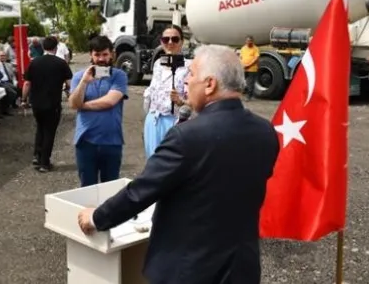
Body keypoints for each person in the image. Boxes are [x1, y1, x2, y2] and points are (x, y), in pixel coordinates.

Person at [77, 44, 280, 284]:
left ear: (210, 84)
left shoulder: (186, 136)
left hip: (189, 271)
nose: (186, 82)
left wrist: (96, 218)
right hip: (241, 269)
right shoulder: (265, 131)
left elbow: (141, 191)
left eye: (191, 74)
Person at [68, 36, 128, 187]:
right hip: (85, 141)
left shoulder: (119, 75)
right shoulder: (79, 77)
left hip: (111, 141)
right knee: (87, 188)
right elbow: (73, 103)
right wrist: (84, 82)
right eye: (97, 54)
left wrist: (82, 105)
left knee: (110, 189)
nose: (101, 59)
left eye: (105, 54)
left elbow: (110, 101)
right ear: (91, 55)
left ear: (111, 54)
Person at [22, 36, 73, 172]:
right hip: (53, 103)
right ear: (56, 48)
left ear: (43, 47)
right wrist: (70, 94)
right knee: (49, 131)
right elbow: (69, 83)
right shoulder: (61, 63)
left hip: (36, 103)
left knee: (40, 127)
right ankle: (44, 163)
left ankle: (37, 156)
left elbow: (27, 83)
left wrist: (23, 100)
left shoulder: (34, 63)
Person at [142, 25, 191, 158]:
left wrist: (182, 101)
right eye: (166, 39)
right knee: (152, 162)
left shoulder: (189, 66)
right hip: (153, 120)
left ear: (182, 42)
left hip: (175, 121)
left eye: (175, 39)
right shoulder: (158, 63)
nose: (170, 43)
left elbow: (196, 100)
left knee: (172, 162)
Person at [240, 35, 260, 101]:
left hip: (252, 69)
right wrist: (241, 65)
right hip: (244, 68)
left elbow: (256, 59)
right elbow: (241, 58)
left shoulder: (255, 48)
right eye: (248, 41)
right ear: (246, 41)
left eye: (250, 41)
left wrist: (249, 65)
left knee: (250, 83)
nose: (249, 42)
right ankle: (242, 94)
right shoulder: (243, 48)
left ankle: (249, 96)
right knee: (242, 82)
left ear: (253, 41)